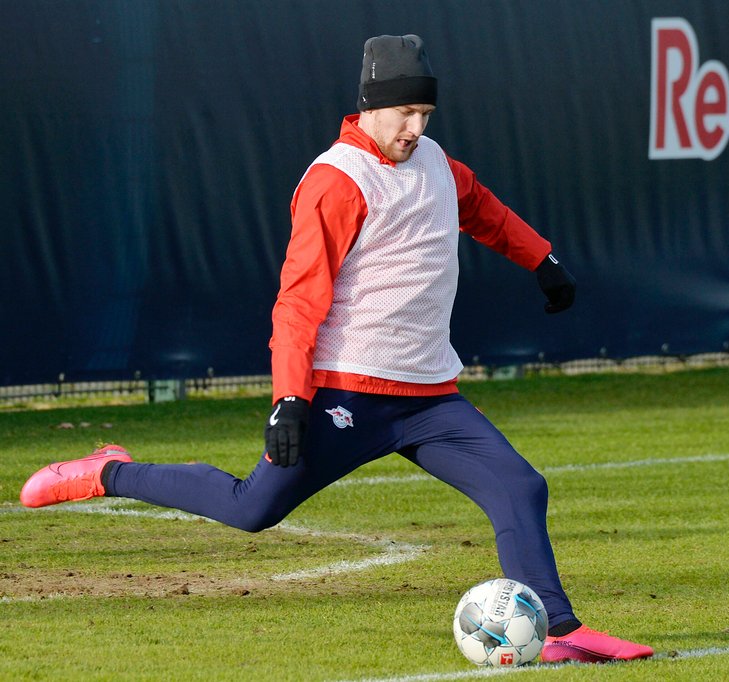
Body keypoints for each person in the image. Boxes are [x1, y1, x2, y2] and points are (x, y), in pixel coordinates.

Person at [21, 34, 653, 664]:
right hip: (347, 393)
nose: (414, 127)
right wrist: (290, 399)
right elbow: (297, 302)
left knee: (520, 488)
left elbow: (481, 208)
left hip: (431, 398)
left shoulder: (434, 162)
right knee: (252, 510)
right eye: (404, 113)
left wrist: (541, 258)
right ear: (369, 106)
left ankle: (559, 631)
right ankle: (107, 472)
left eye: (425, 115)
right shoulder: (336, 182)